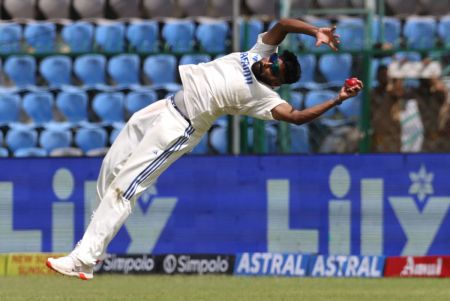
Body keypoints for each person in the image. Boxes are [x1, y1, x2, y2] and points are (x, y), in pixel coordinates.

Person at [46, 18, 363, 280]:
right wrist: (316, 31)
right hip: (167, 105)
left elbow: (295, 118)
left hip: (180, 127)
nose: (269, 61)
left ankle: (82, 257)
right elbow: (282, 25)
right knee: (112, 167)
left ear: (276, 82)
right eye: (274, 58)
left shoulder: (265, 97)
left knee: (125, 189)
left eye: (274, 67)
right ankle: (92, 252)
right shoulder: (258, 53)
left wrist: (337, 99)